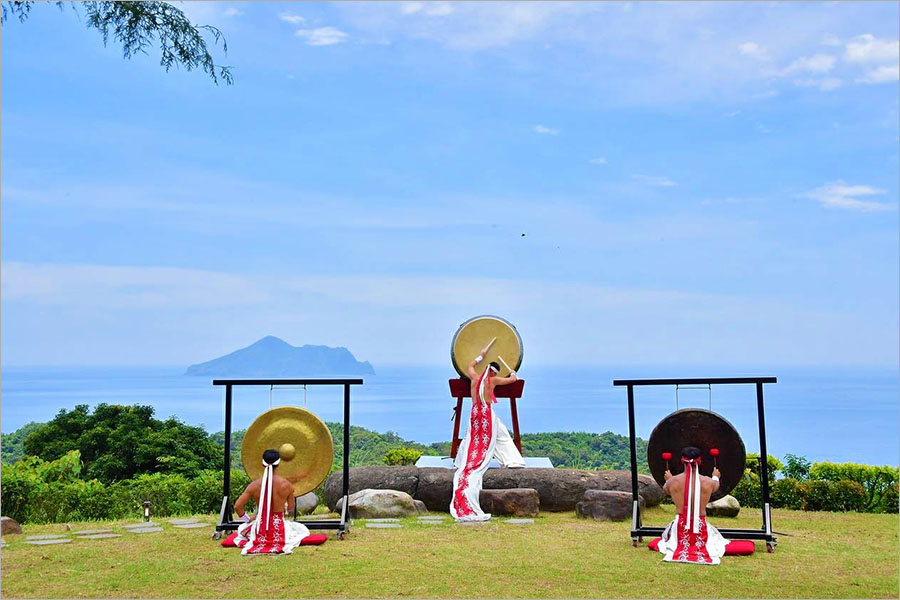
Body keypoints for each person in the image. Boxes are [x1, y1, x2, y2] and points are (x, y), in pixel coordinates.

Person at [450, 342, 526, 522]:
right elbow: (512, 380)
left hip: (475, 412)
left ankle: (460, 461)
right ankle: (512, 460)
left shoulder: (475, 378)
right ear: (494, 372)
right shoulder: (493, 381)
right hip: (486, 413)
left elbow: (469, 365)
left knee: (471, 439)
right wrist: (514, 374)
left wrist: (480, 355)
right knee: (501, 437)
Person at [232, 449, 310, 555]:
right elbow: (291, 508)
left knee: (242, 528)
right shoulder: (287, 485)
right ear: (278, 463)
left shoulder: (254, 485)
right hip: (279, 527)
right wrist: (285, 505)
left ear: (262, 463)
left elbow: (237, 506)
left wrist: (248, 519)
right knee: (301, 529)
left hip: (259, 527)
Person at [657, 446, 727, 565]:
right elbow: (716, 484)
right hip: (701, 526)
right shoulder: (709, 482)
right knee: (718, 541)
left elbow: (666, 489)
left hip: (679, 528)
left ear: (681, 461)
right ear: (700, 462)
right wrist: (715, 475)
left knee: (668, 538)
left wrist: (669, 478)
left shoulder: (672, 482)